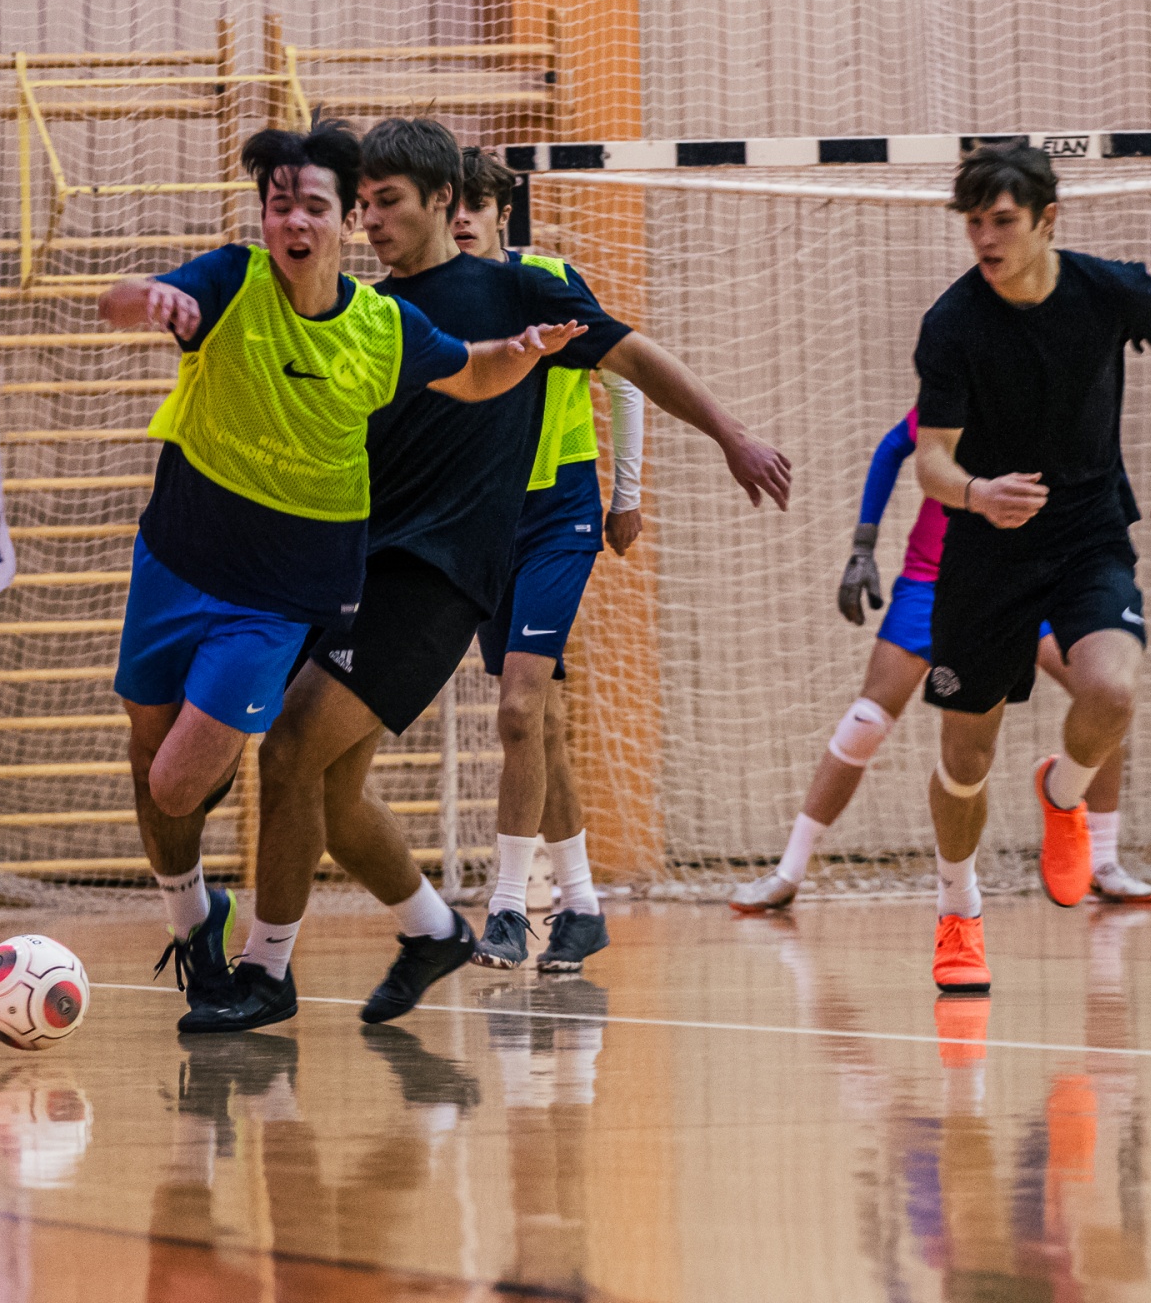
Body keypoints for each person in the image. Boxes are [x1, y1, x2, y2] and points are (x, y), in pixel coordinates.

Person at [188, 117, 791, 1033]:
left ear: (442, 200)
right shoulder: (372, 312)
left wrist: (731, 436)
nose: (370, 219)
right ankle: (431, 931)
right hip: (354, 568)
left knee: (290, 750)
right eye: (362, 204)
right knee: (333, 794)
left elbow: (635, 360)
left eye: (387, 201)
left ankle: (268, 973)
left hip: (434, 580)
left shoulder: (518, 291)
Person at [96, 119, 588, 1030]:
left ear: (346, 219)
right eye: (279, 205)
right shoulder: (235, 279)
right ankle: (416, 927)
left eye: (318, 206)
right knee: (296, 781)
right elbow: (138, 298)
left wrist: (525, 353)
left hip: (320, 589)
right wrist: (144, 300)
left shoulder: (391, 325)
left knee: (229, 771)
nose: (297, 221)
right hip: (193, 558)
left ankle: (267, 969)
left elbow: (476, 370)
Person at [910, 142, 1151, 995]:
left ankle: (1064, 794)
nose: (985, 240)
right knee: (965, 760)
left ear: (1048, 220)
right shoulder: (953, 323)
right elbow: (931, 461)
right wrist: (977, 493)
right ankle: (958, 911)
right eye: (973, 223)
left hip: (1088, 534)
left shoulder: (1109, 290)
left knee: (1111, 691)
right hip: (987, 553)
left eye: (1002, 221)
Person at [728, 409, 1151, 913]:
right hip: (931, 579)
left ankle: (1102, 862)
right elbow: (893, 448)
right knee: (866, 722)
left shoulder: (1056, 403)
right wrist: (863, 546)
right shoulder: (957, 390)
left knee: (1103, 697)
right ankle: (789, 871)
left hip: (1025, 578)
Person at [451, 149, 647, 972]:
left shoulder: (549, 280)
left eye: (476, 205)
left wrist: (625, 495)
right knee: (541, 723)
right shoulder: (435, 299)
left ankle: (506, 910)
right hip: (486, 519)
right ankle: (582, 907)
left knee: (519, 709)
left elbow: (626, 379)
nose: (462, 219)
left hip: (561, 514)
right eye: (450, 206)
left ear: (504, 213)